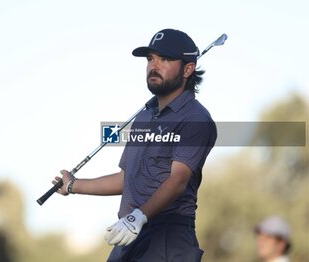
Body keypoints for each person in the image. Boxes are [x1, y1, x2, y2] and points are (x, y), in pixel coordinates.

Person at [52, 28, 217, 261]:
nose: (154, 66)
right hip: (130, 233)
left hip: (167, 236)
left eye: (165, 59)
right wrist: (74, 185)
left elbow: (178, 180)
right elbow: (128, 178)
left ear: (188, 69)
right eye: (150, 59)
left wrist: (140, 216)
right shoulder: (145, 117)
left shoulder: (195, 118)